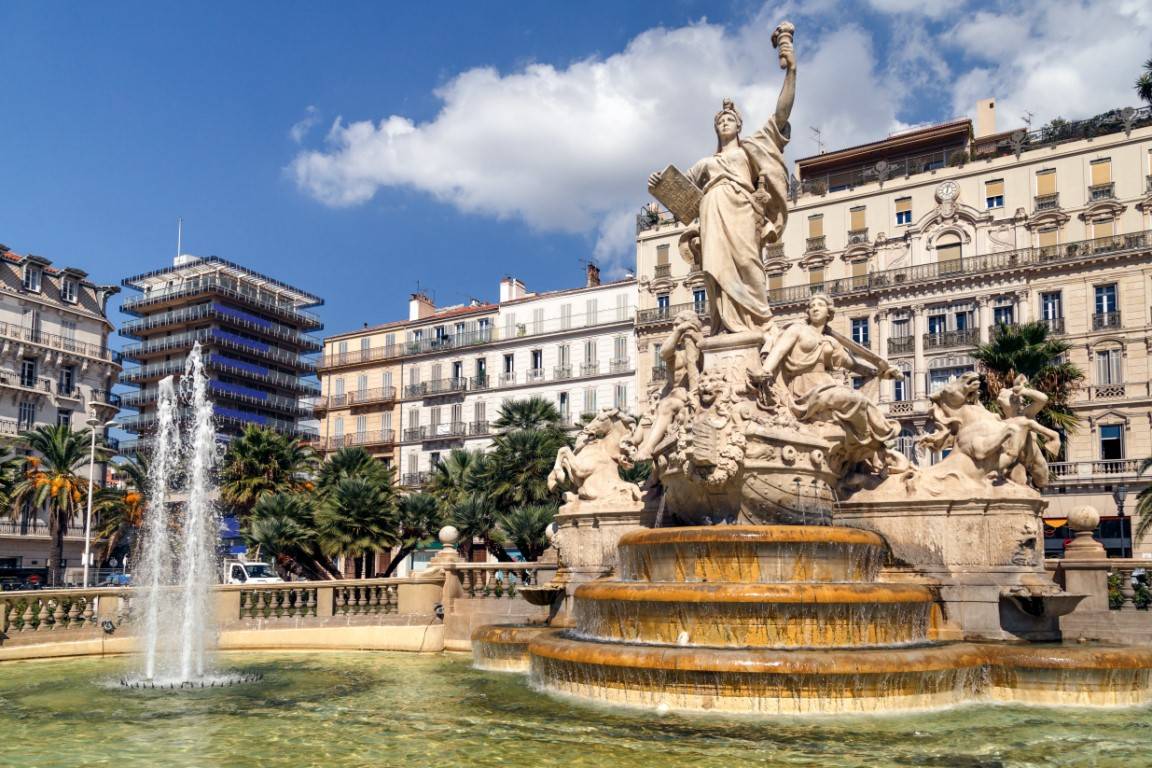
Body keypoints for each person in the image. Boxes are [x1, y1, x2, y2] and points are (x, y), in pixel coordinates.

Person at [648, 22, 796, 335]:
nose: (725, 123)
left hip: (742, 210)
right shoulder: (707, 163)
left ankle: (759, 322)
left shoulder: (750, 149)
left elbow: (781, 115)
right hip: (712, 212)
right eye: (720, 121)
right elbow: (678, 188)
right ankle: (723, 327)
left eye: (730, 119)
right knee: (715, 272)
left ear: (739, 125)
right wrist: (659, 184)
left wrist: (791, 72)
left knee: (749, 265)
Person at [757, 294, 907, 473]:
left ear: (829, 312)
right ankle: (878, 435)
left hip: (826, 383)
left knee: (860, 401)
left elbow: (854, 365)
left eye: (820, 305)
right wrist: (765, 370)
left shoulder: (831, 341)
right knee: (854, 398)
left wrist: (882, 373)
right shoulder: (797, 329)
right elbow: (779, 350)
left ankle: (871, 439)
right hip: (804, 387)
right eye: (812, 305)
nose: (815, 308)